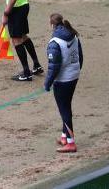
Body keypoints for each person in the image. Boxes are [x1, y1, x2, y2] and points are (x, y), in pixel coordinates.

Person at [44, 13, 83, 153]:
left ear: (52, 25)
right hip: (74, 75)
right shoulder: (73, 34)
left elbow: (53, 66)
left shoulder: (54, 42)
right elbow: (80, 55)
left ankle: (71, 143)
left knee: (64, 109)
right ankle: (64, 137)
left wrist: (47, 83)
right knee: (66, 106)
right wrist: (76, 70)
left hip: (63, 80)